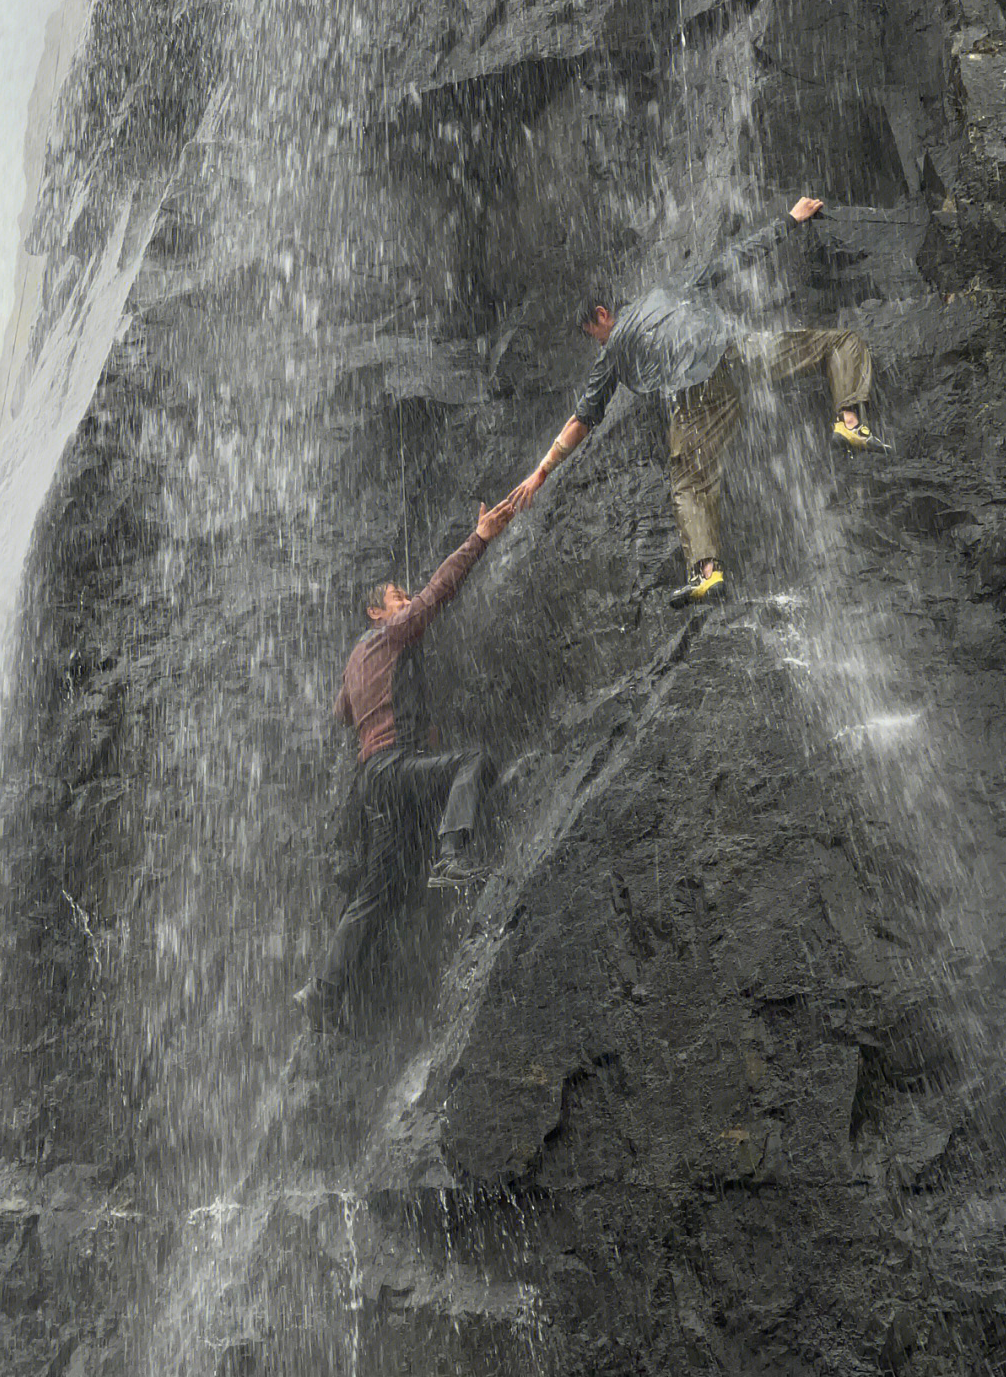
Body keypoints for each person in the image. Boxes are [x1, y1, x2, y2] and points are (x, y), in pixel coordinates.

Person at [508, 197, 886, 606]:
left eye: (592, 333)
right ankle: (849, 423)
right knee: (840, 342)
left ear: (603, 316)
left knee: (690, 481)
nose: (596, 342)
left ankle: (707, 574)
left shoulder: (614, 348)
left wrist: (541, 473)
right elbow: (733, 258)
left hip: (697, 394)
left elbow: (581, 420)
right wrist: (789, 220)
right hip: (736, 353)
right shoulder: (669, 289)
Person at [294, 499, 515, 1032]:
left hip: (376, 786)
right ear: (377, 612)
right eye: (398, 597)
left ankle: (322, 990)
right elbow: (437, 595)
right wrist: (480, 537)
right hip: (394, 767)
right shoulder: (389, 633)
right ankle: (451, 854)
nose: (408, 600)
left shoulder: (354, 661)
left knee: (377, 892)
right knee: (473, 762)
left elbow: (343, 712)